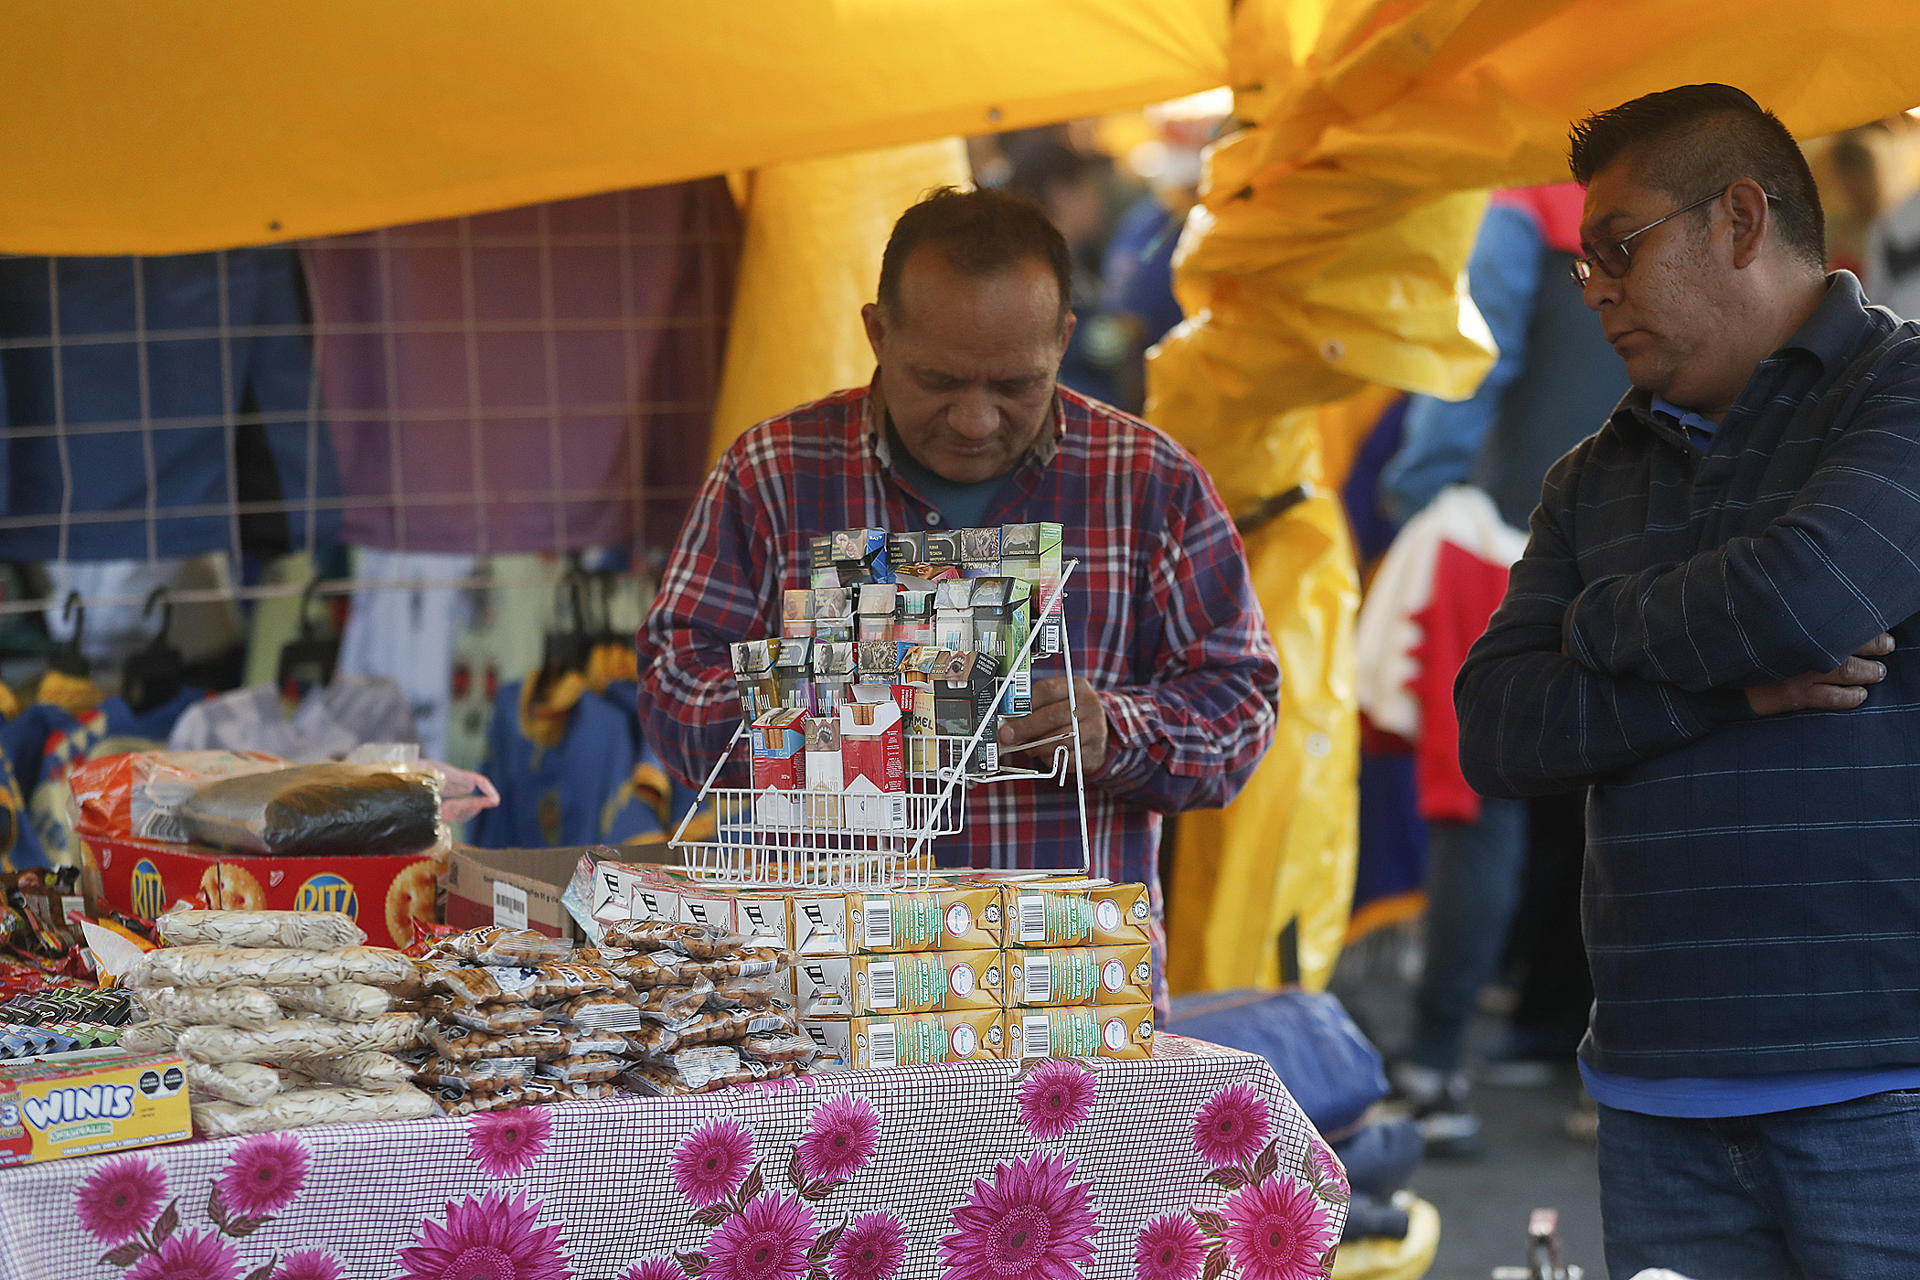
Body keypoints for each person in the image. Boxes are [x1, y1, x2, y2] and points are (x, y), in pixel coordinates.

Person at [1457, 82, 1920, 1278]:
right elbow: (1499, 727)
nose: (1596, 284)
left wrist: (1600, 621)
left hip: (1888, 1086)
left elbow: (1803, 599)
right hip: (1656, 1095)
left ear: (1740, 219)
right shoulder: (1593, 474)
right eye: (1581, 262)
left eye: (1618, 245)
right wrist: (1729, 689)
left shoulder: (1901, 394)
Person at [637, 186, 1281, 1011]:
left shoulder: (1150, 483)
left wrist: (1114, 729)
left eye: (1017, 384)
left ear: (1065, 342)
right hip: (824, 1000)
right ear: (877, 332)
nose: (975, 420)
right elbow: (670, 689)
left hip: (1070, 998)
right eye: (937, 380)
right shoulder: (774, 475)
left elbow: (1241, 705)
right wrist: (828, 724)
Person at [1376, 183, 1626, 1154]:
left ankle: (1438, 1067)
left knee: (1478, 809)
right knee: (1619, 804)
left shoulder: (1521, 206)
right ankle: (1607, 1068)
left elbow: (1467, 361)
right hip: (1641, 542)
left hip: (1507, 538)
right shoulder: (1687, 188)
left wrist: (1418, 488)